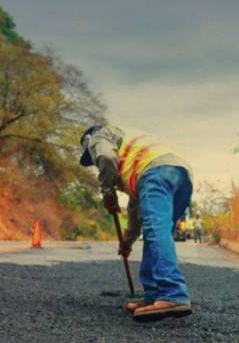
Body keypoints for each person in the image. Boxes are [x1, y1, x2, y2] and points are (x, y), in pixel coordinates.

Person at [80, 125, 194, 322]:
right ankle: (153, 297)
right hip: (181, 174)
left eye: (91, 156)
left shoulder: (99, 136)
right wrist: (127, 242)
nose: (94, 162)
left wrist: (108, 193)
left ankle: (172, 294)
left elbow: (106, 158)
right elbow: (136, 210)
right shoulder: (133, 155)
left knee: (156, 231)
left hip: (156, 172)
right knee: (156, 233)